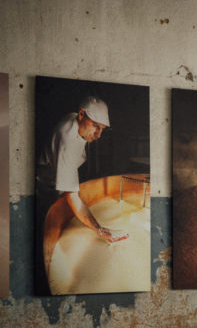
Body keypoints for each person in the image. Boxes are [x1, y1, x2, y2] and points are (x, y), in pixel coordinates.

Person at [37, 95, 128, 244]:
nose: (98, 135)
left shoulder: (75, 119)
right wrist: (99, 229)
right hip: (46, 187)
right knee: (51, 228)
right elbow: (72, 196)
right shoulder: (67, 142)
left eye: (102, 129)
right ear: (81, 114)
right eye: (96, 126)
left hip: (58, 179)